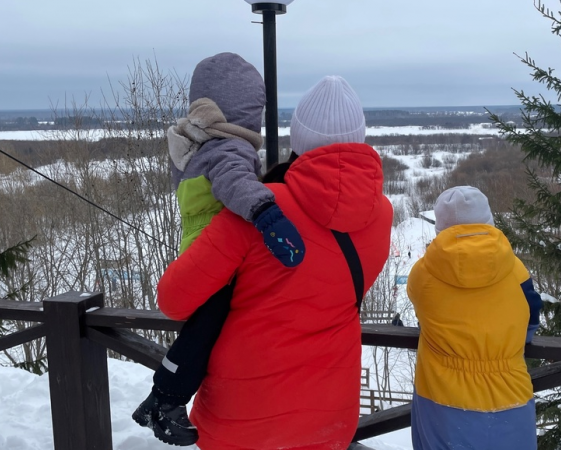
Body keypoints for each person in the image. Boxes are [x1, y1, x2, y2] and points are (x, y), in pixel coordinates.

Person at [156, 75, 393, 450]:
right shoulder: (380, 215)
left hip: (241, 421)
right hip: (329, 418)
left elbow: (173, 299)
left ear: (297, 138)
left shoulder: (258, 211)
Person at [132, 52, 306, 446]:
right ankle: (166, 400)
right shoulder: (228, 150)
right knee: (206, 332)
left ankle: (158, 398)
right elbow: (235, 185)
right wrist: (268, 217)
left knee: (200, 330)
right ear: (245, 112)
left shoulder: (196, 144)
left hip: (198, 251)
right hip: (216, 256)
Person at [407, 186, 543, 450]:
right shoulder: (516, 270)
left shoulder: (423, 273)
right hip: (510, 397)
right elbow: (531, 317)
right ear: (488, 221)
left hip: (442, 399)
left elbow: (422, 309)